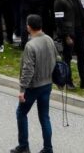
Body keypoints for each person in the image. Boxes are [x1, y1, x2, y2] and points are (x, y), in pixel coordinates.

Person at [12, 15, 59, 153]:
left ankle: (23, 145)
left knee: (21, 113)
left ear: (29, 27)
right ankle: (48, 148)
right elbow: (57, 58)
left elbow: (28, 69)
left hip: (33, 87)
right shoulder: (49, 39)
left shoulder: (30, 45)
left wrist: (22, 89)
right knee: (44, 116)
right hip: (47, 84)